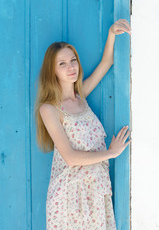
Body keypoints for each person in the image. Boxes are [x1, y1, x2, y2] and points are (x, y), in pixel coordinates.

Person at [34, 19, 131, 229]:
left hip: (95, 191)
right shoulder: (49, 109)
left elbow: (106, 63)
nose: (71, 67)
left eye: (73, 60)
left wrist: (112, 34)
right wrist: (111, 153)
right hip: (70, 196)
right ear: (52, 71)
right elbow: (69, 158)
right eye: (62, 64)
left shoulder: (81, 98)